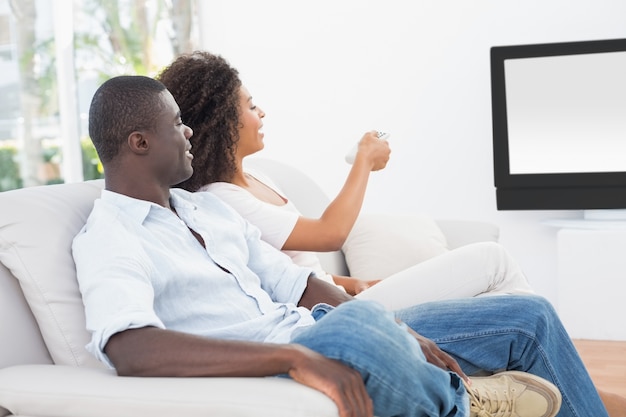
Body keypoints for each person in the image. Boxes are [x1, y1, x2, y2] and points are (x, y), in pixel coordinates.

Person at [73, 73, 616, 417]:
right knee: (355, 326)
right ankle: (462, 403)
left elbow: (300, 284)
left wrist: (396, 326)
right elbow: (129, 348)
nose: (188, 132)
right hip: (295, 350)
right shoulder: (111, 236)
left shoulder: (205, 210)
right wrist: (292, 354)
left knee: (529, 316)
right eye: (176, 125)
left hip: (324, 330)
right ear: (139, 142)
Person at [157, 51, 534, 310]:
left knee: (495, 292)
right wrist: (364, 163)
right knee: (491, 260)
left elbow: (303, 270)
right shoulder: (221, 199)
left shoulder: (258, 176)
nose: (263, 113)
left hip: (344, 298)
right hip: (329, 317)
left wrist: (356, 284)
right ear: (223, 122)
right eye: (252, 106)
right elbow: (329, 234)